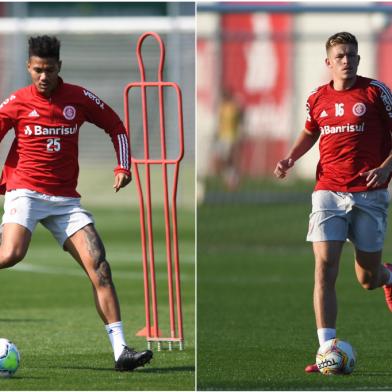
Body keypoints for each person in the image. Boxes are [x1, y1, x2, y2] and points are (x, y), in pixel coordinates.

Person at [0, 35, 153, 371]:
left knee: (100, 266)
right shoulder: (16, 102)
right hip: (24, 191)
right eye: (38, 70)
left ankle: (121, 351)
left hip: (65, 201)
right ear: (29, 67)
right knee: (11, 254)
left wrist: (123, 166)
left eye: (49, 70)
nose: (43, 76)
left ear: (59, 68)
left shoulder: (79, 98)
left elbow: (116, 126)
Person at [274, 31, 392, 373]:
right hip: (327, 191)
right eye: (340, 56)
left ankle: (386, 275)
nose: (347, 61)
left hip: (369, 193)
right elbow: (311, 131)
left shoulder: (376, 93)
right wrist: (290, 158)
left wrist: (386, 169)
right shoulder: (317, 98)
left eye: (352, 55)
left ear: (358, 58)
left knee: (367, 277)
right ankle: (326, 349)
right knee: (325, 266)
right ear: (329, 62)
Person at [214, 90, 243, 190]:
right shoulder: (222, 107)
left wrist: (240, 133)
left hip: (231, 137)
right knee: (222, 160)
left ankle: (233, 179)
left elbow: (240, 119)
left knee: (230, 159)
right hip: (222, 137)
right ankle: (229, 177)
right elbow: (220, 122)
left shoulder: (234, 107)